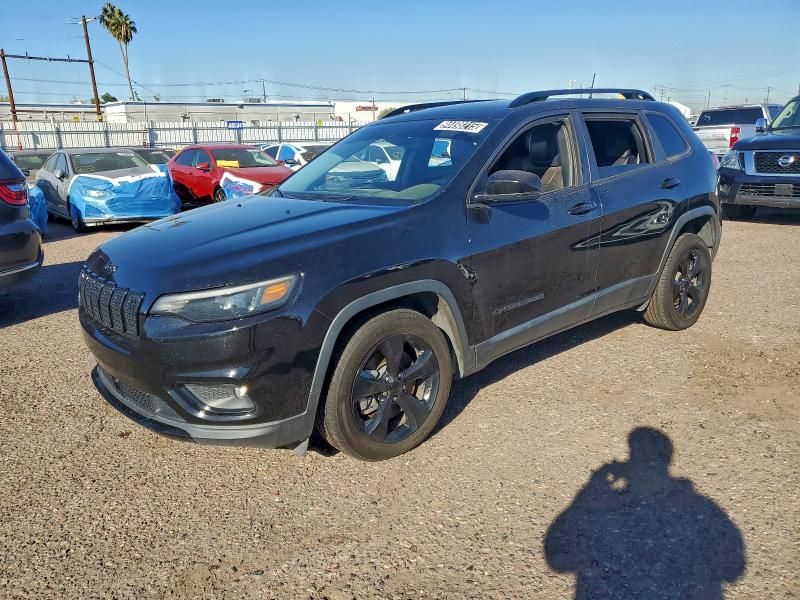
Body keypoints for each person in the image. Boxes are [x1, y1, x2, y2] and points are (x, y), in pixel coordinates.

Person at [544, 427, 745, 599]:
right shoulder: (702, 509)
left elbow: (558, 555)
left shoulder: (601, 509)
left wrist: (588, 493)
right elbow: (733, 568)